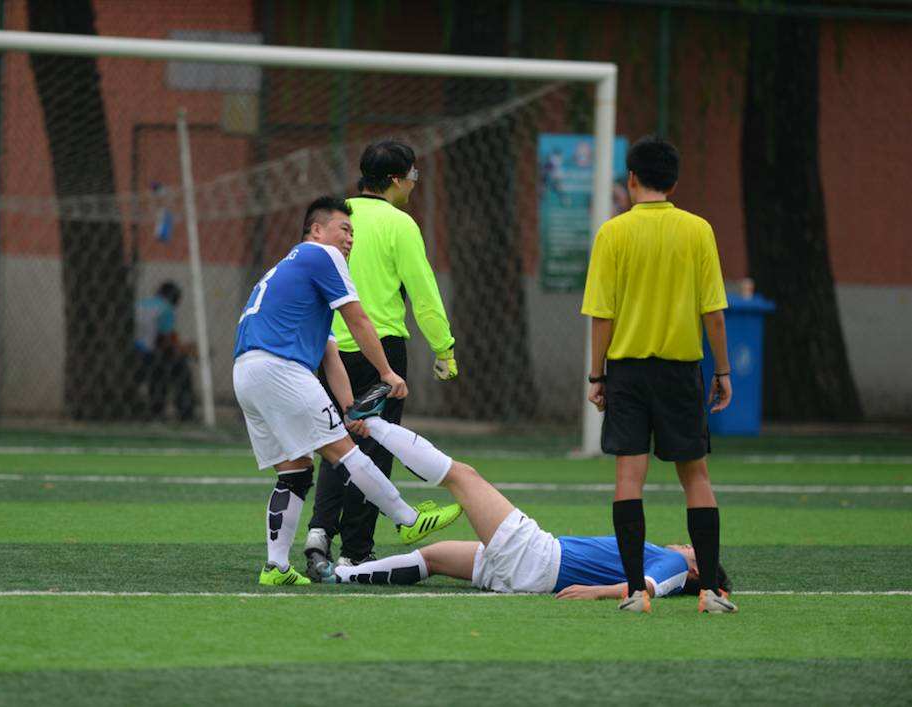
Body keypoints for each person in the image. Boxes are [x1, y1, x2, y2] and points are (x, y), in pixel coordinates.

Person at [232, 196, 462, 587]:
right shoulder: (322, 257)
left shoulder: (292, 272)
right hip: (280, 367)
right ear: (316, 230)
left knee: (295, 471)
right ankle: (408, 519)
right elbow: (357, 319)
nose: (350, 239)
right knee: (343, 453)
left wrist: (350, 408)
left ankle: (275, 568)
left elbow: (330, 352)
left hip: (246, 372)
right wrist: (387, 373)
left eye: (354, 233)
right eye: (344, 229)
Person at [315, 405, 732, 610]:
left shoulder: (674, 569)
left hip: (537, 557)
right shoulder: (668, 560)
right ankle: (340, 575)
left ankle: (374, 424)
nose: (686, 544)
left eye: (694, 549)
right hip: (529, 572)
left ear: (698, 569)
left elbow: (649, 589)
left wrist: (599, 592)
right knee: (435, 557)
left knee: (463, 476)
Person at [579, 135, 738, 613]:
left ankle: (633, 593)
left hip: (627, 372)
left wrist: (596, 375)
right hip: (680, 370)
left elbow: (601, 315)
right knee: (697, 476)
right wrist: (723, 370)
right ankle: (709, 590)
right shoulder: (698, 230)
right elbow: (713, 311)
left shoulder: (613, 233)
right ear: (674, 181)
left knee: (629, 477)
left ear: (631, 179)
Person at [305, 141, 457, 578]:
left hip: (327, 347)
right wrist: (443, 347)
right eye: (413, 175)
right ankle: (356, 550)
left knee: (336, 444)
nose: (414, 183)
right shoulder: (400, 224)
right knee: (372, 446)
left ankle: (318, 533)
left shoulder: (334, 217)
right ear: (395, 179)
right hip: (380, 353)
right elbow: (423, 294)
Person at [133, 281, 196, 422]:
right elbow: (166, 341)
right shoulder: (166, 309)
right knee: (179, 368)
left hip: (131, 353)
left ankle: (155, 410)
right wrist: (185, 350)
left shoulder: (140, 304)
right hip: (147, 355)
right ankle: (184, 412)